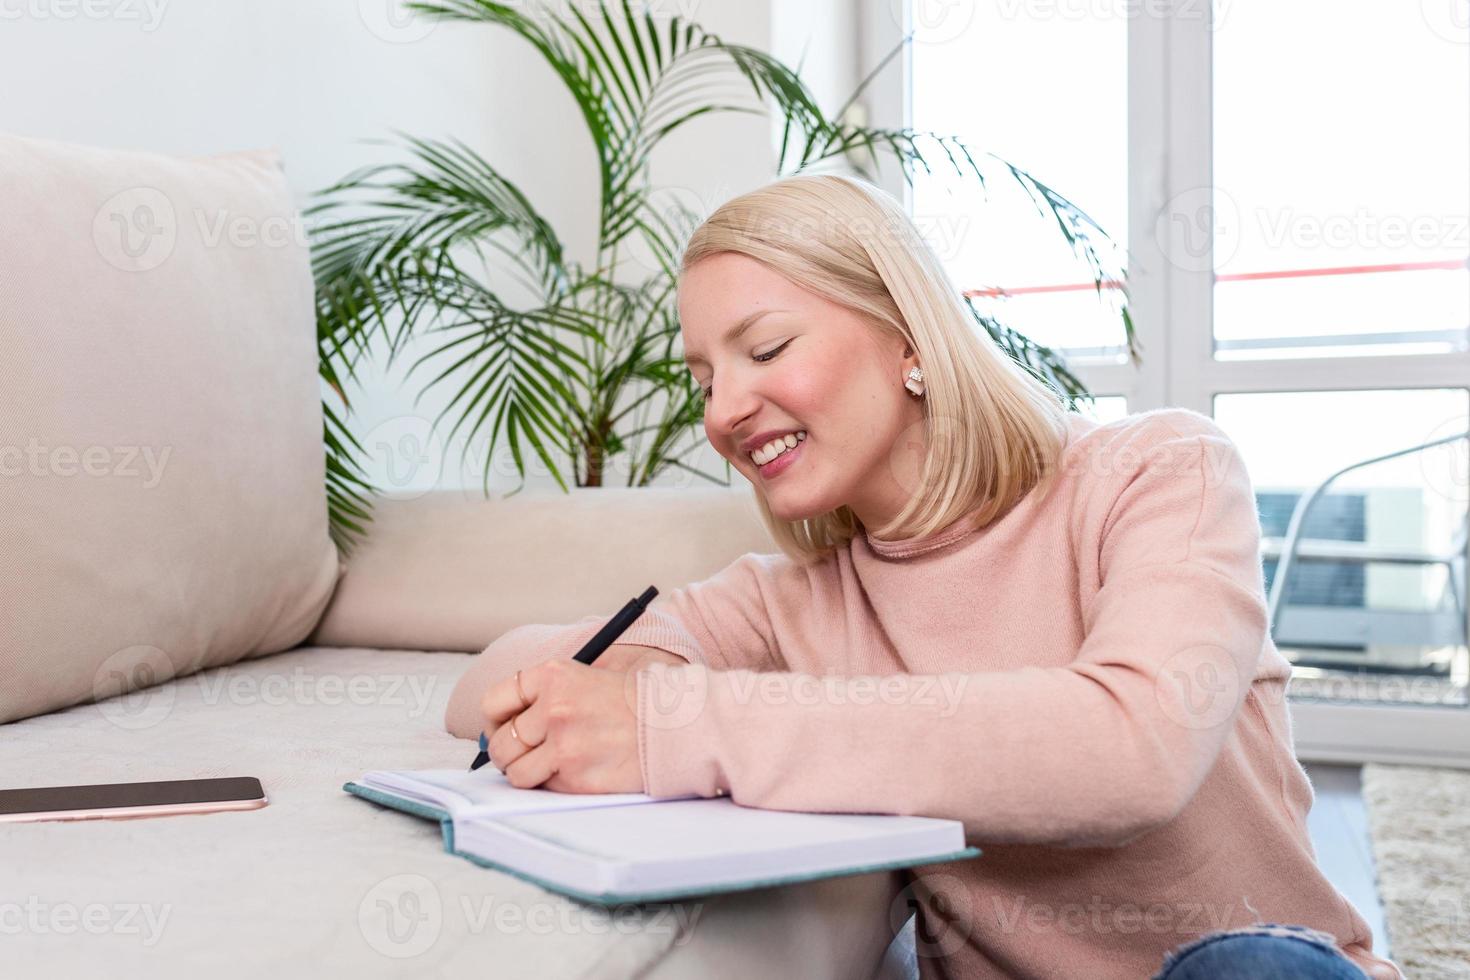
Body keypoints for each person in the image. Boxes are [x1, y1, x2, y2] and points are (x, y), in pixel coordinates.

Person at [444, 173, 1402, 980]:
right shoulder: (795, 599)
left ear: (908, 340)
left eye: (766, 349)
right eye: (702, 380)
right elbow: (484, 686)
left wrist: (675, 726)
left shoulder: (1159, 474)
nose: (725, 409)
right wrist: (633, 682)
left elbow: (1130, 751)